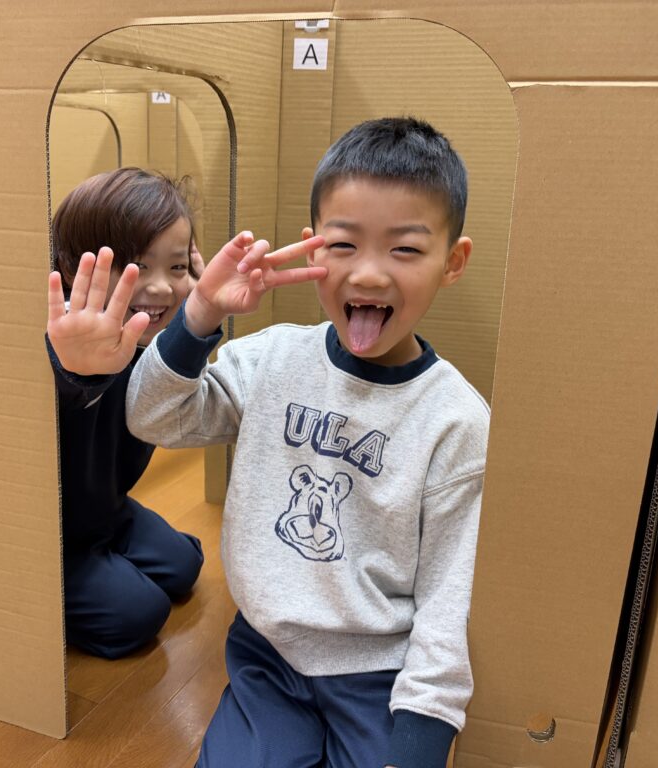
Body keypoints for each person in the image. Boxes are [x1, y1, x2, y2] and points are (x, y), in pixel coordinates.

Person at [125, 117, 489, 767]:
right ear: (312, 248)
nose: (369, 275)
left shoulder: (456, 421)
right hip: (268, 652)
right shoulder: (272, 359)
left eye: (405, 250)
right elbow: (155, 418)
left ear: (453, 262)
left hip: (378, 671)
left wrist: (419, 741)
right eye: (344, 245)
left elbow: (448, 603)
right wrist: (199, 315)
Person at [45, 167, 206, 659]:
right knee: (137, 614)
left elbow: (173, 400)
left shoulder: (147, 340)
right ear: (72, 268)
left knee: (184, 563)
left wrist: (200, 314)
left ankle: (108, 554)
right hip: (51, 532)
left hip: (105, 508)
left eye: (177, 267)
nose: (161, 288)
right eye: (136, 266)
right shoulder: (64, 338)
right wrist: (79, 373)